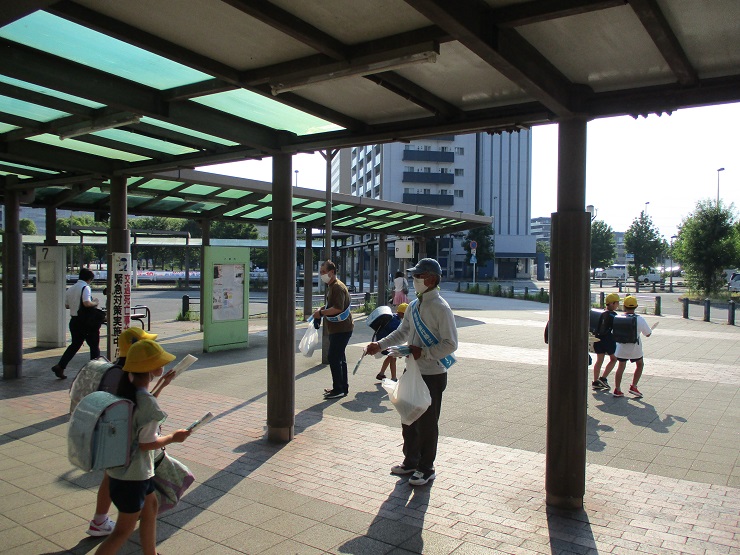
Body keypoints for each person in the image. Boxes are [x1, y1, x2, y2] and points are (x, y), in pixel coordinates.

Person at [366, 258, 457, 486]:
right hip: (412, 370)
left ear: (432, 279)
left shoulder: (441, 308)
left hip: (432, 374)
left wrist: (423, 352)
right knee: (408, 417)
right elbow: (402, 331)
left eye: (419, 276)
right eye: (414, 275)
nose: (414, 280)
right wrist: (381, 345)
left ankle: (427, 468)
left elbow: (450, 344)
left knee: (427, 422)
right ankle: (411, 461)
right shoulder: (415, 306)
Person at [95, 339, 190, 555]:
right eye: (160, 362)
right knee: (123, 530)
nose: (163, 365)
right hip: (133, 476)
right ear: (151, 369)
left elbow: (141, 410)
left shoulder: (124, 391)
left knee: (151, 508)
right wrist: (174, 437)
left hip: (126, 471)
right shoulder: (147, 403)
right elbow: (148, 443)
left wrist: (162, 385)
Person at [85, 327, 162, 537]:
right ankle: (100, 520)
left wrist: (162, 385)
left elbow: (137, 404)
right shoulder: (120, 376)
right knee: (123, 528)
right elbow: (138, 409)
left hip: (120, 444)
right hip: (126, 452)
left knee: (144, 500)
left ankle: (101, 520)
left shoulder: (121, 374)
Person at [313, 260, 354, 400]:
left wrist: (321, 313)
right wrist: (321, 310)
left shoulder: (337, 287)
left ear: (331, 272)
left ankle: (339, 389)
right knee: (339, 357)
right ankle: (342, 387)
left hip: (341, 329)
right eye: (321, 272)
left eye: (323, 272)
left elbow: (338, 308)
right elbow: (332, 306)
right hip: (339, 328)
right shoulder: (333, 286)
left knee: (333, 357)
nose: (321, 274)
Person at [52, 268, 102, 379]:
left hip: (74, 321)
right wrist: (95, 302)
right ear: (89, 279)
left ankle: (60, 366)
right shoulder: (85, 287)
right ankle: (95, 371)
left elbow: (67, 306)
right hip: (86, 323)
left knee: (74, 345)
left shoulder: (71, 289)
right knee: (94, 346)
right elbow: (86, 303)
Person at [613, 295, 653, 398]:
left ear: (624, 306)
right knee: (640, 364)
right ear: (636, 306)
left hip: (621, 347)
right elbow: (647, 334)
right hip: (635, 348)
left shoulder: (618, 318)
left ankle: (617, 389)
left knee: (621, 367)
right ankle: (634, 386)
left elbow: (613, 332)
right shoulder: (640, 319)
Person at [592, 293, 620, 391]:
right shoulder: (613, 315)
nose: (618, 305)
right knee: (613, 359)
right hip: (608, 340)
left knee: (599, 360)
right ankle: (603, 378)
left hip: (598, 339)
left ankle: (595, 381)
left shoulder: (601, 313)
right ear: (612, 303)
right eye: (617, 303)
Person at [375, 303, 408, 382]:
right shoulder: (396, 322)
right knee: (392, 357)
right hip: (388, 343)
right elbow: (397, 336)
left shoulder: (393, 317)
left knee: (391, 357)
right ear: (402, 313)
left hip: (384, 340)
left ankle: (382, 374)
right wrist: (400, 350)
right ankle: (393, 378)